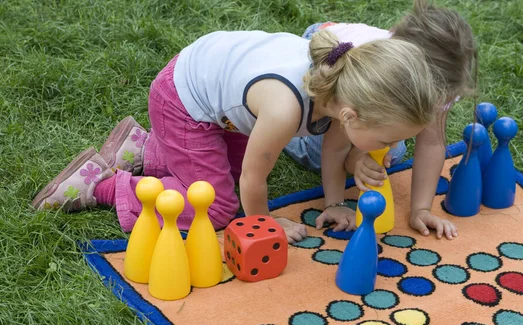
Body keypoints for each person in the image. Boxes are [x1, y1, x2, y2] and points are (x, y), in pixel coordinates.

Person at [32, 26, 440, 243]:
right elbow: (253, 178)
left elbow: (334, 152)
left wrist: (334, 202)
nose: (392, 148)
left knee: (217, 173)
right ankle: (104, 186)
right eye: (388, 138)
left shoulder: (341, 92)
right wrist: (263, 222)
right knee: (218, 207)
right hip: (183, 100)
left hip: (226, 103)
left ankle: (147, 149)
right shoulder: (285, 111)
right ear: (352, 115)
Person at [284, 0, 476, 239]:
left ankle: (358, 153)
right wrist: (334, 202)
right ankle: (280, 126)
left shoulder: (442, 82)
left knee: (390, 151)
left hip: (362, 87)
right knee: (316, 152)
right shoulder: (370, 76)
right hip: (326, 57)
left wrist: (421, 209)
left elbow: (431, 142)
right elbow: (334, 145)